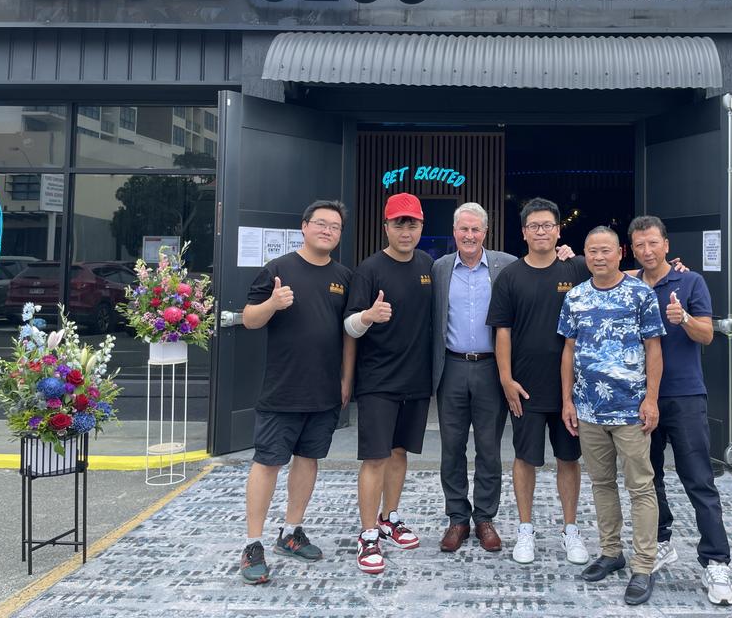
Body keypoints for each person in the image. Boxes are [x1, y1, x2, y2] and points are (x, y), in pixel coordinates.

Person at [432, 202, 576, 553]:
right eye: (463, 229)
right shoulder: (438, 269)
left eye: (475, 229)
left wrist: (565, 255)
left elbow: (548, 268)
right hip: (450, 366)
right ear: (455, 232)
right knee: (451, 448)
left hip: (490, 368)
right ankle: (456, 518)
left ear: (486, 232)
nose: (469, 236)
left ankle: (484, 518)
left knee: (489, 447)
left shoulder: (506, 265)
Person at [238, 200, 355, 585]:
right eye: (321, 223)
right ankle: (253, 544)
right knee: (268, 462)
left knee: (308, 460)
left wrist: (344, 379)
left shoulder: (343, 276)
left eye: (335, 226)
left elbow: (346, 332)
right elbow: (250, 320)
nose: (327, 230)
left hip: (323, 389)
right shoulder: (278, 269)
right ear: (304, 227)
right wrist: (272, 302)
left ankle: (291, 531)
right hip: (283, 388)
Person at [628, 215, 732, 607]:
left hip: (685, 396)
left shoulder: (690, 282)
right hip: (641, 398)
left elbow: (707, 334)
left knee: (698, 481)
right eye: (640, 244)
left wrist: (684, 318)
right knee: (648, 478)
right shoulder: (629, 284)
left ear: (666, 244)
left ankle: (716, 563)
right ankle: (661, 541)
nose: (647, 250)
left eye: (653, 243)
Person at [558, 225, 665, 606]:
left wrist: (651, 399)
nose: (598, 257)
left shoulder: (641, 294)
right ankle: (610, 552)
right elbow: (569, 351)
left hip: (632, 411)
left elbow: (654, 349)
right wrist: (568, 401)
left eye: (605, 250)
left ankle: (643, 565)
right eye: (591, 251)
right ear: (584, 255)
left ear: (620, 252)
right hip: (588, 409)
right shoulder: (576, 298)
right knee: (601, 484)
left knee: (640, 487)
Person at [485, 197, 591, 566]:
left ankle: (571, 529)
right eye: (534, 226)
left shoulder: (576, 268)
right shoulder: (511, 276)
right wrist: (506, 379)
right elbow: (502, 331)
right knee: (525, 458)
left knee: (568, 459)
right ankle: (525, 529)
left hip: (570, 390)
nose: (541, 231)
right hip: (525, 387)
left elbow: (617, 275)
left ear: (558, 230)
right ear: (524, 232)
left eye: (548, 225)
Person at [344, 192, 434, 575]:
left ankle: (389, 517)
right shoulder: (370, 269)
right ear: (386, 226)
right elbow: (348, 325)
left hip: (415, 380)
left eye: (411, 223)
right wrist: (368, 315)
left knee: (399, 453)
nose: (405, 230)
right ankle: (367, 535)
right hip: (378, 380)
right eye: (399, 223)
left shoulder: (429, 265)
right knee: (375, 457)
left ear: (421, 226)